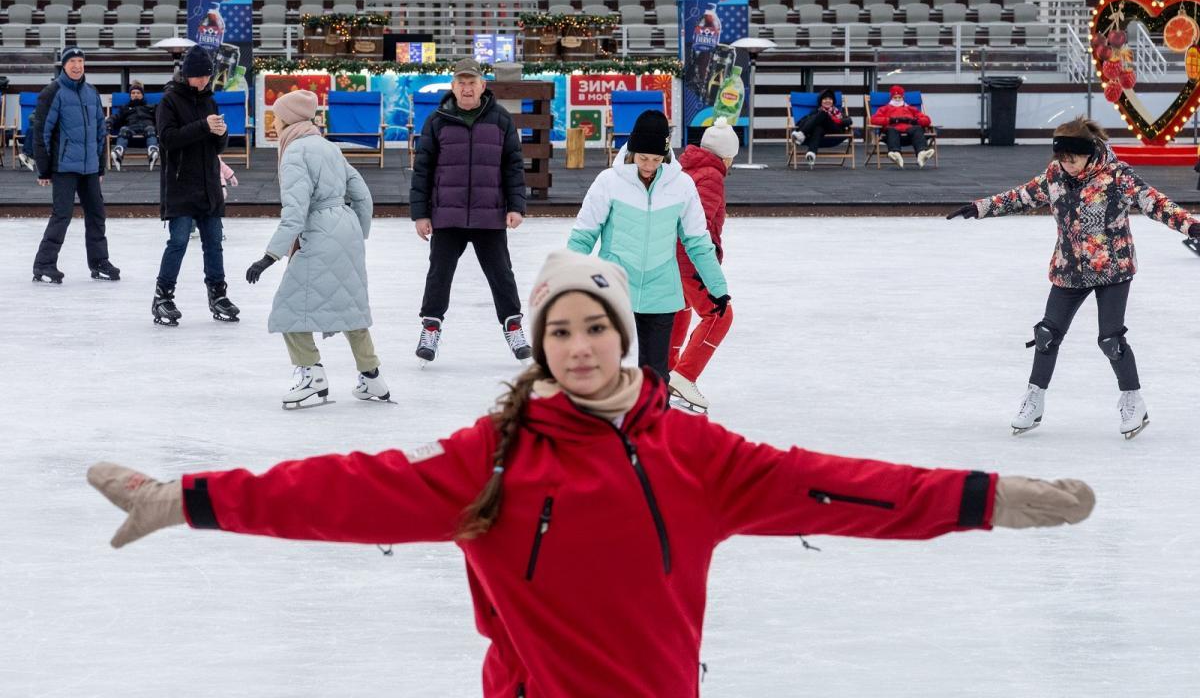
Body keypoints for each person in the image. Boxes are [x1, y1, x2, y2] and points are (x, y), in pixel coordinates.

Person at [86, 249, 1096, 697]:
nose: (577, 345)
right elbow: (347, 489)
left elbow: (836, 485)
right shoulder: (494, 456)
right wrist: (187, 496)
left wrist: (986, 496)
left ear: (623, 335)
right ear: (539, 343)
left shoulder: (699, 453)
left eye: (594, 326)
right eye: (558, 329)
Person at [947, 116, 1200, 438]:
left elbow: (1155, 202)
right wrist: (980, 208)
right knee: (1046, 334)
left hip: (1112, 268)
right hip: (1068, 268)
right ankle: (1034, 400)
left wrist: (1190, 225)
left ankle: (1133, 400)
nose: (1067, 166)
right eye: (1062, 160)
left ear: (1089, 152)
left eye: (1073, 159)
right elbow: (1021, 197)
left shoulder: (1117, 176)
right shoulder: (1054, 176)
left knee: (1110, 340)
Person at [244, 90, 388, 410]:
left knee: (289, 309)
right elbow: (362, 195)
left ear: (289, 118)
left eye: (277, 116)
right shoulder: (329, 147)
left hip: (319, 232)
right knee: (349, 304)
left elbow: (295, 213)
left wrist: (269, 257)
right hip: (345, 229)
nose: (274, 121)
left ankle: (312, 376)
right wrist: (357, 235)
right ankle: (372, 375)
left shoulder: (295, 151)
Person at [568, 109, 729, 380]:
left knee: (655, 377)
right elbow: (584, 235)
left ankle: (652, 421)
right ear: (631, 151)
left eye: (656, 159)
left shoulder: (681, 185)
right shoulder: (609, 182)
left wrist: (717, 286)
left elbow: (698, 241)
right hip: (614, 285)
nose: (649, 165)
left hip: (660, 290)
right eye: (643, 157)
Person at [410, 58, 530, 364]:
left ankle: (513, 326)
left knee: (502, 274)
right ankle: (431, 327)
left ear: (482, 86)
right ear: (452, 86)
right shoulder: (437, 120)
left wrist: (516, 205)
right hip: (446, 215)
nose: (466, 88)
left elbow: (513, 166)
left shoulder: (500, 119)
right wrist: (420, 213)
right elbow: (422, 169)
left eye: (472, 83)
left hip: (489, 215)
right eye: (461, 83)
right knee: (439, 274)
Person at [153, 45, 239, 327]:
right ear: (186, 75)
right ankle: (162, 296)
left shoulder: (210, 101)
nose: (203, 81)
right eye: (198, 76)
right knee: (177, 241)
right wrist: (204, 126)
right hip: (181, 184)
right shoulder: (169, 101)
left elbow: (216, 146)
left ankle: (218, 294)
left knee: (214, 242)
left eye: (206, 76)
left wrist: (221, 134)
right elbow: (168, 139)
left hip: (208, 185)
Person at [30, 46, 120, 284]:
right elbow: (42, 133)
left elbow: (100, 132)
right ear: (64, 65)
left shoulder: (91, 92)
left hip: (89, 167)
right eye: (72, 61)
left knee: (97, 214)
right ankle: (44, 264)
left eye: (81, 61)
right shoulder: (53, 92)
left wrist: (100, 166)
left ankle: (99, 262)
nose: (77, 66)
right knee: (62, 215)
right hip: (64, 167)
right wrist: (45, 169)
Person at [668, 117, 737, 413]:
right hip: (690, 258)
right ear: (727, 155)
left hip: (672, 254)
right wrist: (707, 266)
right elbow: (701, 226)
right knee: (720, 315)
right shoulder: (711, 175)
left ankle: (664, 372)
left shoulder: (690, 167)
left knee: (680, 310)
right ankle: (684, 376)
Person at [870, 84, 935, 169]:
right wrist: (890, 120)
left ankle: (922, 153)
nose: (897, 99)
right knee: (891, 130)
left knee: (917, 129)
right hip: (892, 133)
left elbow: (927, 120)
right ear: (891, 98)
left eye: (899, 97)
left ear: (903, 97)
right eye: (895, 97)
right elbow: (874, 119)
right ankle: (895, 153)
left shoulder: (911, 108)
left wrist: (915, 121)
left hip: (909, 134)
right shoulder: (885, 108)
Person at [789, 88, 855, 168]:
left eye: (830, 99)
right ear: (821, 101)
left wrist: (838, 121)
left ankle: (802, 134)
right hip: (822, 132)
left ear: (833, 101)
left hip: (835, 130)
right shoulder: (816, 111)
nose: (828, 101)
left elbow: (849, 120)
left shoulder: (837, 112)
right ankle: (811, 153)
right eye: (825, 99)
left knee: (823, 114)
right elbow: (804, 120)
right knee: (818, 128)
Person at [108, 80, 160, 171]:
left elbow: (161, 117)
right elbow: (115, 117)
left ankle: (152, 151)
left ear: (142, 95)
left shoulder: (151, 107)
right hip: (131, 128)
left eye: (138, 93)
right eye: (133, 93)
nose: (135, 95)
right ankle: (118, 151)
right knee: (123, 129)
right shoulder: (125, 108)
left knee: (151, 129)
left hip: (148, 128)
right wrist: (108, 123)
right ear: (130, 95)